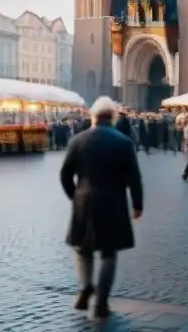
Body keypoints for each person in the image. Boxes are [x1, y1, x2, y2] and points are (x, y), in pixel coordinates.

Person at [61, 96, 143, 320]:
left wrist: (74, 196)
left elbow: (65, 174)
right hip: (113, 201)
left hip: (84, 201)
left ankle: (86, 287)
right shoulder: (124, 142)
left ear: (92, 116)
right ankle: (101, 303)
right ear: (113, 117)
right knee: (108, 252)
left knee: (82, 248)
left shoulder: (78, 140)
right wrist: (137, 204)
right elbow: (134, 177)